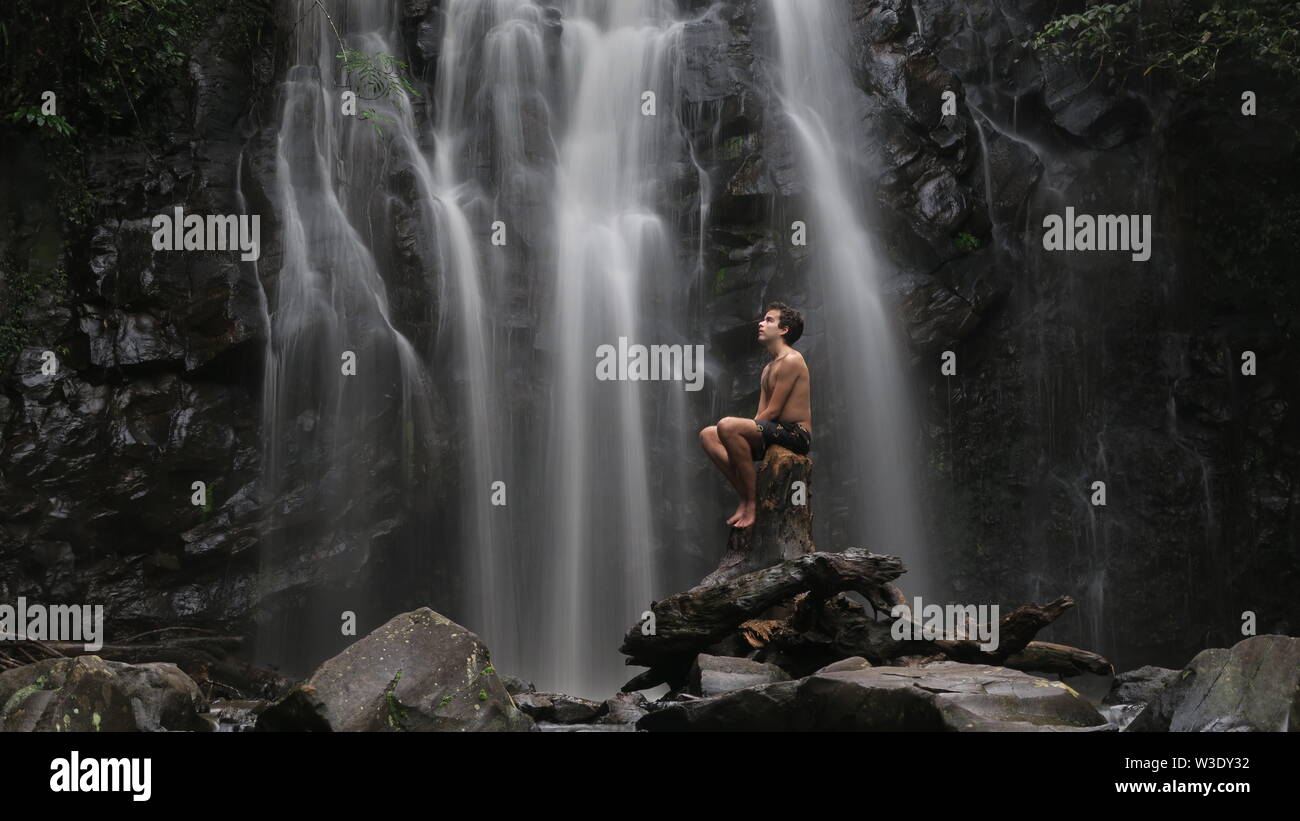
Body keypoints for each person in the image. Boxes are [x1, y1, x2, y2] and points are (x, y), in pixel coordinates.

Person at [698, 301, 811, 529]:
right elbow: (761, 414)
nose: (761, 323)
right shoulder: (768, 368)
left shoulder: (792, 360)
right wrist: (745, 435)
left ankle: (751, 503)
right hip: (773, 430)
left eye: (769, 320)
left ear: (783, 330)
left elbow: (774, 411)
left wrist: (740, 431)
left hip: (796, 434)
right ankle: (748, 494)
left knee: (728, 425)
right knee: (708, 435)